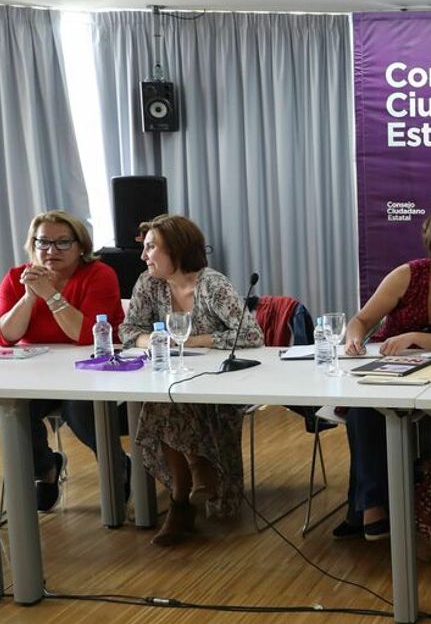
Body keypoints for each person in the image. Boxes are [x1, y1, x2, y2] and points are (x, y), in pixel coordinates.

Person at [339, 188, 431, 542]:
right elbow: (361, 321)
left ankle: (369, 509)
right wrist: (353, 341)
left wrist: (414, 337)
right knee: (364, 407)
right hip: (389, 373)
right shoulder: (407, 275)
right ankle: (374, 506)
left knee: (376, 412)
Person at [119, 214, 264, 546]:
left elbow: (252, 335)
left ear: (176, 249)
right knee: (167, 397)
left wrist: (194, 341)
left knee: (166, 400)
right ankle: (196, 472)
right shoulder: (148, 283)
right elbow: (128, 331)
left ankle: (181, 502)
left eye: (151, 247)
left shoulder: (212, 285)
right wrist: (156, 342)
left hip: (221, 387)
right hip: (177, 380)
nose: (143, 256)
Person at [0, 210, 126, 512]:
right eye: (43, 242)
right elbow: (6, 336)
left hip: (93, 371)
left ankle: (118, 466)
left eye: (62, 243)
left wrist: (51, 296)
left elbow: (85, 335)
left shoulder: (99, 275)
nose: (51, 250)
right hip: (39, 374)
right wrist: (29, 297)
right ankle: (46, 469)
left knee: (80, 410)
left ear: (80, 246)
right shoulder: (17, 277)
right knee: (12, 410)